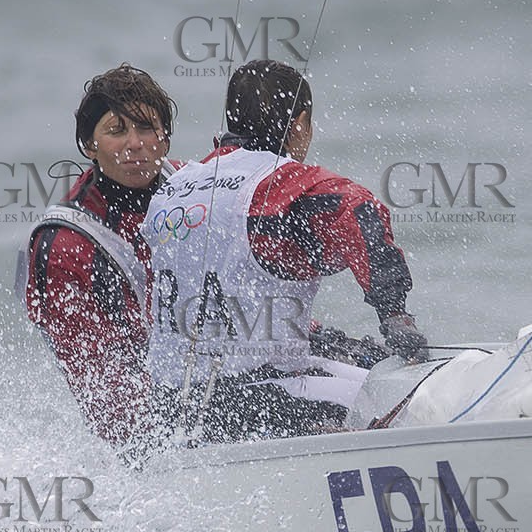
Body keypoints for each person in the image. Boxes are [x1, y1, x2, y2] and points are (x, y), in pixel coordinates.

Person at [142, 59, 430, 442]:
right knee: (413, 402)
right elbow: (360, 212)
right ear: (301, 123)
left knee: (357, 366)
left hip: (167, 407)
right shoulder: (280, 184)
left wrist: (315, 334)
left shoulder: (175, 185)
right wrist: (395, 315)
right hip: (251, 404)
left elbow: (217, 289)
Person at [17, 64, 178, 449]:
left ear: (165, 139)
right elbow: (102, 391)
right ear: (89, 145)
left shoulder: (194, 189)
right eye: (117, 130)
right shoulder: (63, 246)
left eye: (146, 128)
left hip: (211, 380)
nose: (135, 143)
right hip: (145, 432)